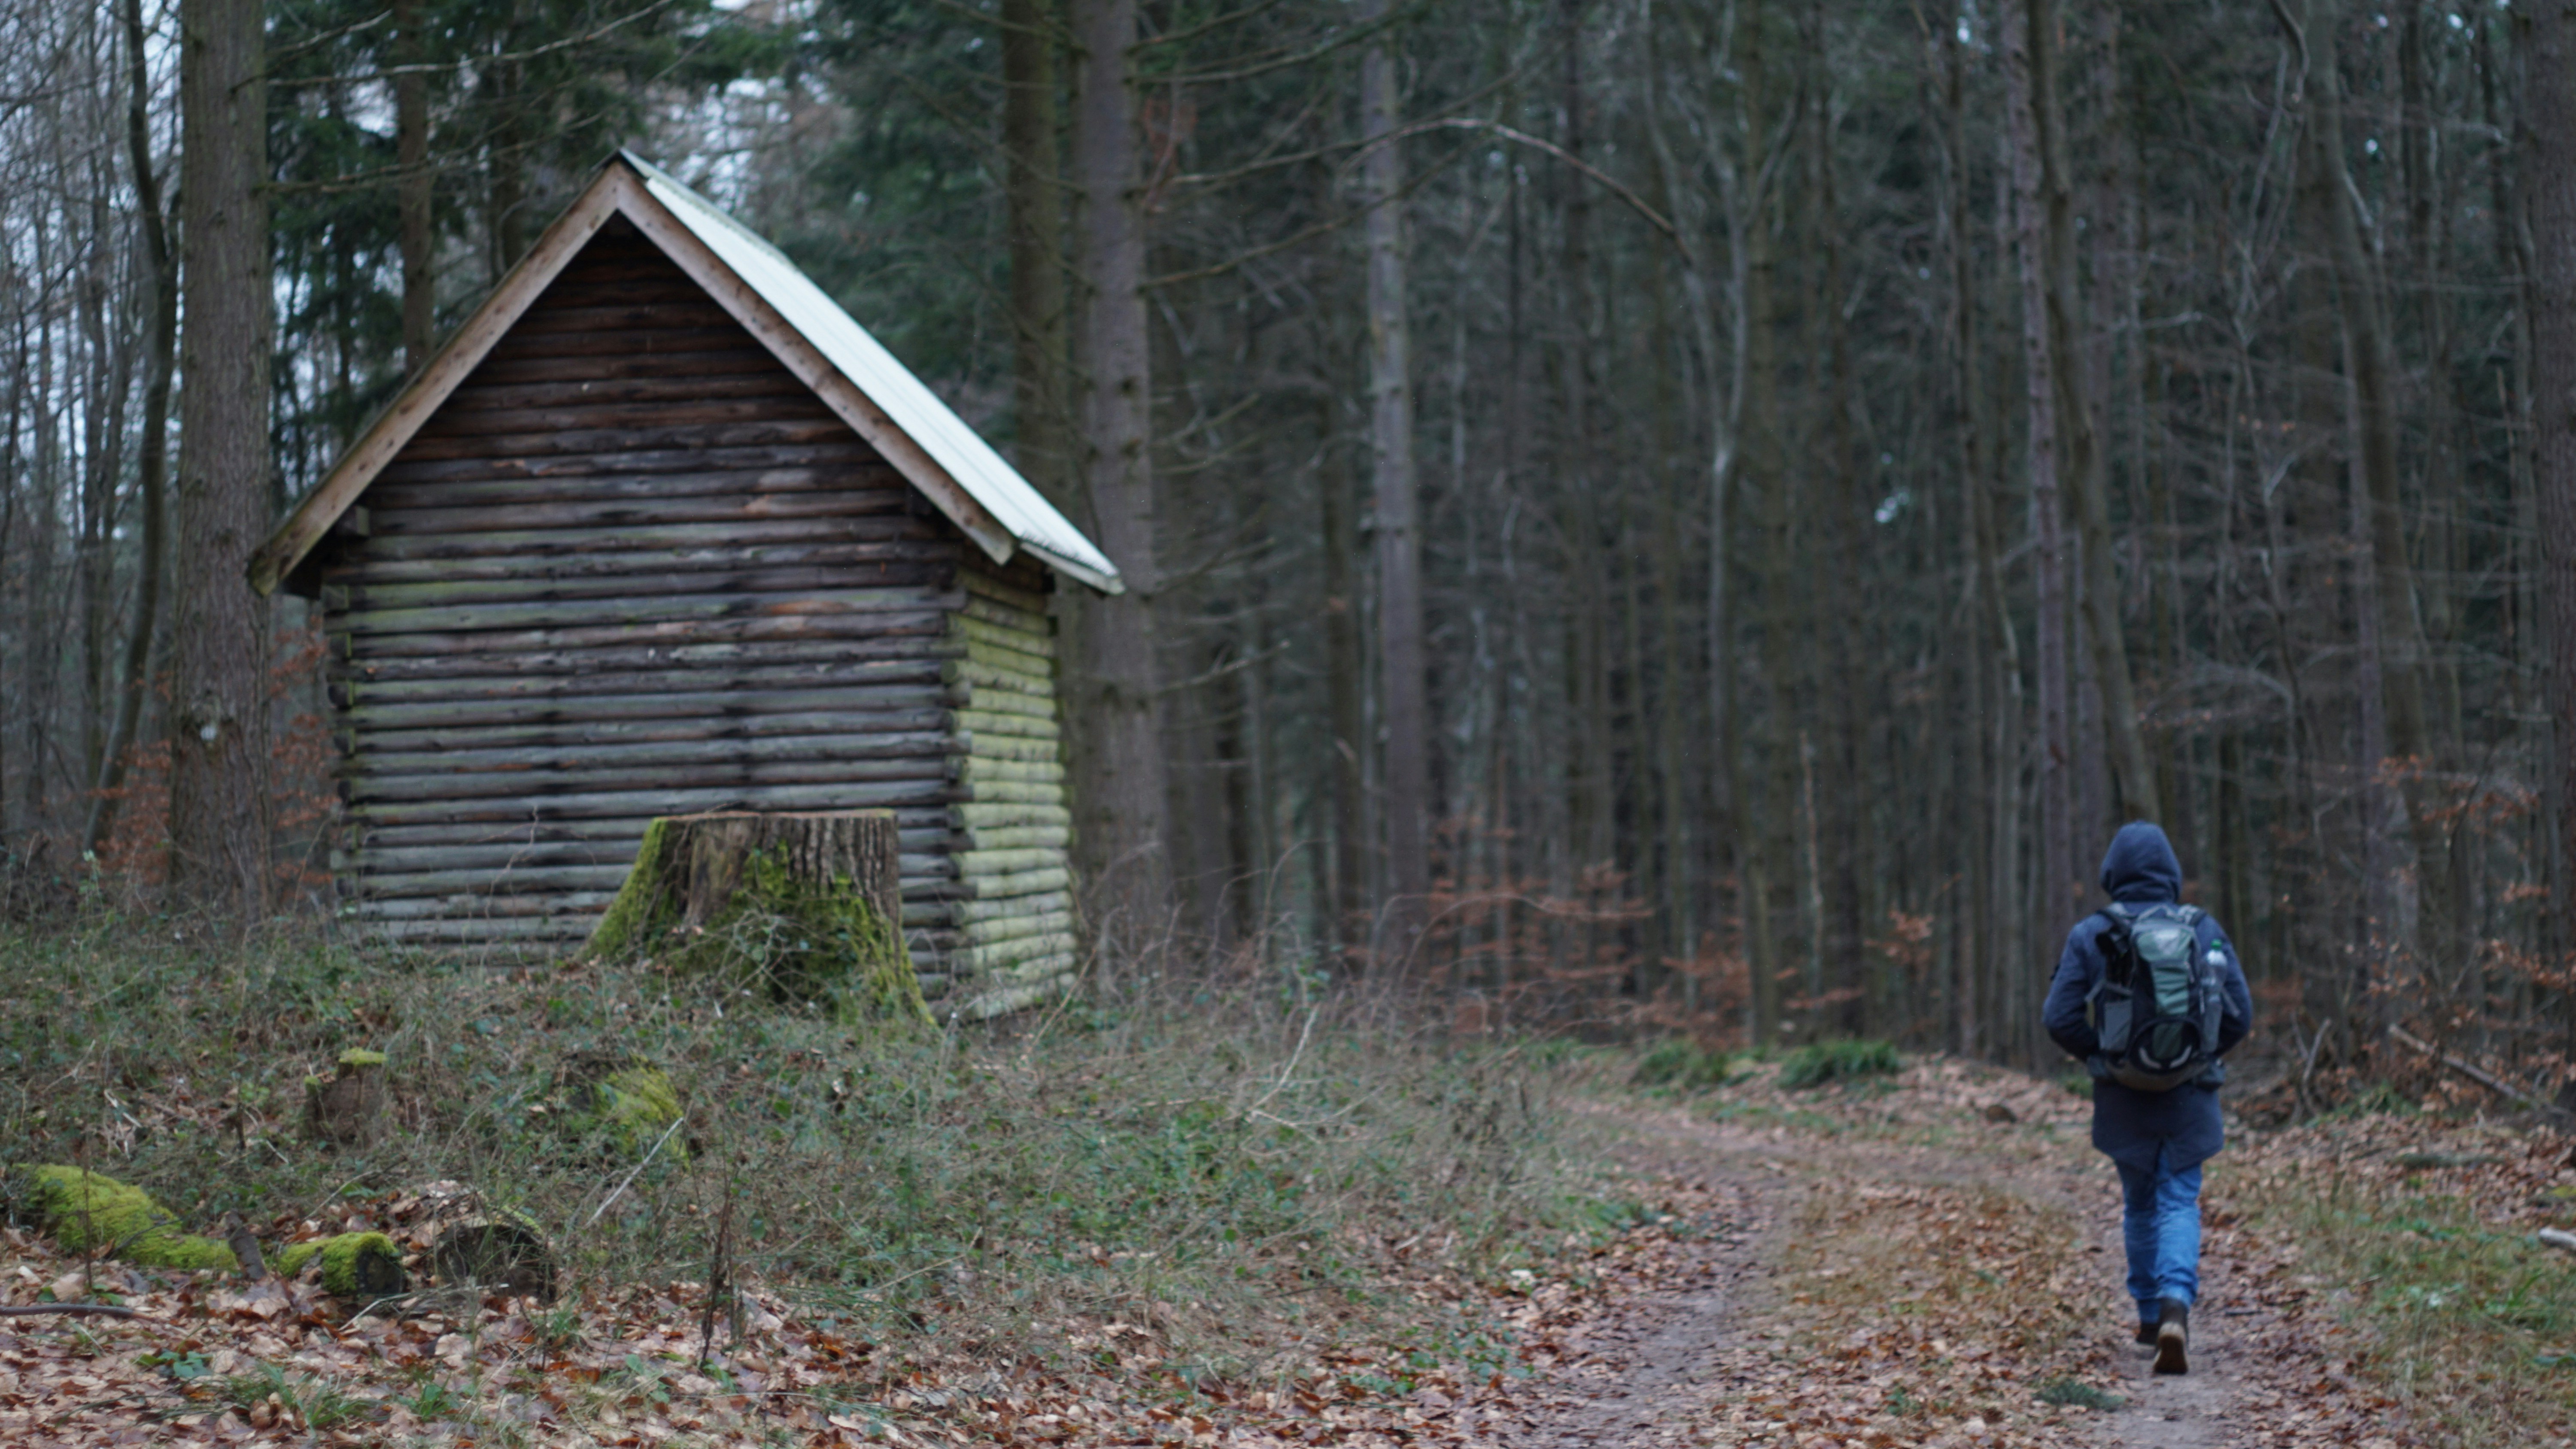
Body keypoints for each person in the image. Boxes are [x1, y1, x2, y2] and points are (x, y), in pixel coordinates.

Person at [2043, 821, 2252, 1376]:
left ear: (2112, 874)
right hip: (2190, 1096)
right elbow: (2241, 1015)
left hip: (2123, 1098)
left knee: (2139, 1203)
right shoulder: (2203, 928)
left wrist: (2103, 1057)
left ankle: (2146, 1316)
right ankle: (2175, 1305)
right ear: (2171, 874)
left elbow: (2058, 1017)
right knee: (2179, 1199)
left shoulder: (2093, 933)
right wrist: (2199, 1056)